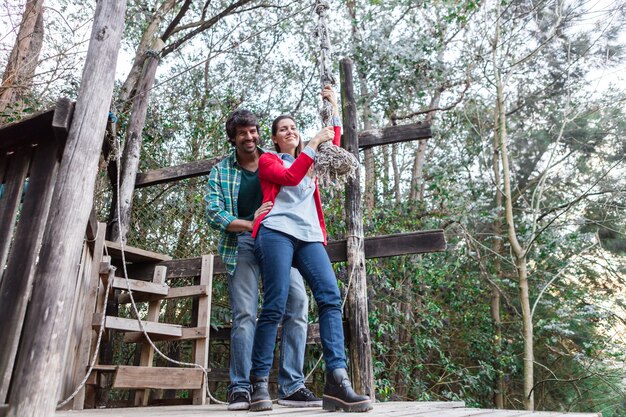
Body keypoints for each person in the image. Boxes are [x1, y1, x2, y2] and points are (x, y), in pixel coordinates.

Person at [248, 86, 373, 413]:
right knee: (275, 304)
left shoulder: (313, 156)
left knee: (330, 298)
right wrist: (313, 143)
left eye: (293, 127)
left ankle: (338, 381)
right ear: (275, 139)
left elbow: (333, 133)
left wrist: (332, 102)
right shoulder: (268, 160)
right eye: (282, 129)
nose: (290, 131)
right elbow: (289, 178)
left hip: (310, 235)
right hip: (276, 231)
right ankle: (259, 383)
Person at [205, 109, 322, 410]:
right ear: (232, 138)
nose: (249, 137)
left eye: (253, 131)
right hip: (242, 241)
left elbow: (301, 184)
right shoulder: (221, 170)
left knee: (297, 303)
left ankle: (292, 385)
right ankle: (241, 387)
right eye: (242, 133)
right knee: (245, 313)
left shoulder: (277, 160)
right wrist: (249, 223)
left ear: (260, 133)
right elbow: (213, 212)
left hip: (281, 239)